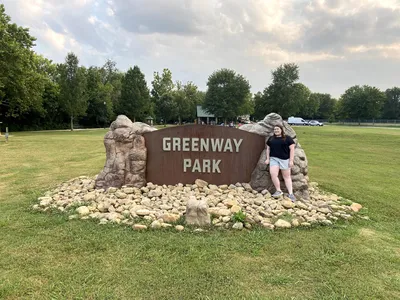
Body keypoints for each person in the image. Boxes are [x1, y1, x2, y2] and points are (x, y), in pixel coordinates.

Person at [265, 125, 296, 201]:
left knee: (287, 177)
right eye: (275, 129)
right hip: (274, 159)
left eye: (277, 129)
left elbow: (292, 149)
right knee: (273, 175)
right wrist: (268, 159)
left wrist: (291, 160)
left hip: (284, 160)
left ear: (281, 130)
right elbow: (268, 149)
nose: (276, 130)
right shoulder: (271, 139)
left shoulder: (287, 138)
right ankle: (278, 190)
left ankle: (291, 193)